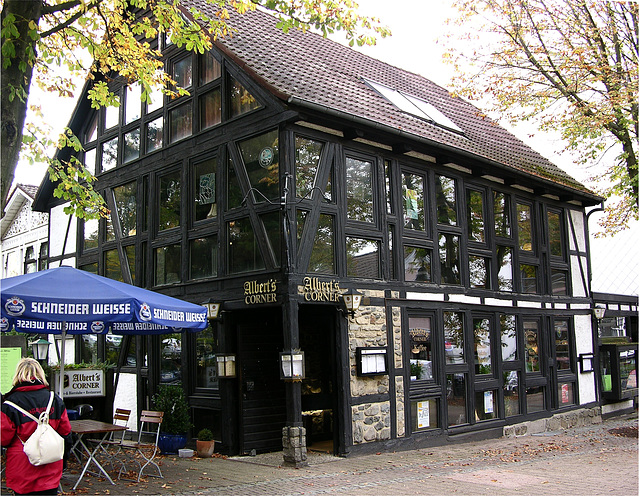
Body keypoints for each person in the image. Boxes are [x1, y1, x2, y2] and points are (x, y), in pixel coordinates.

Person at [1, 358, 71, 495]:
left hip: (22, 465)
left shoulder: (10, 404)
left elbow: (3, 438)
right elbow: (65, 431)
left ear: (18, 374)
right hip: (50, 463)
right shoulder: (54, 399)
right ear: (41, 373)